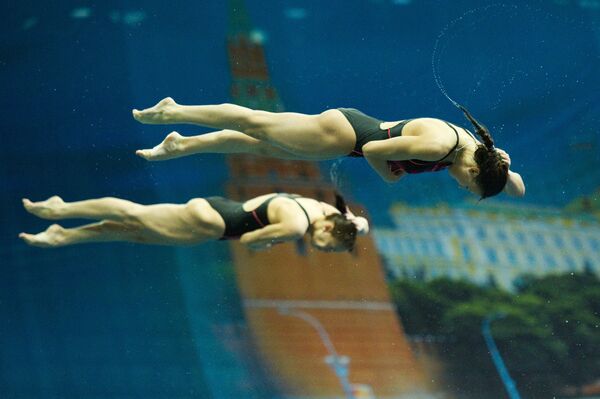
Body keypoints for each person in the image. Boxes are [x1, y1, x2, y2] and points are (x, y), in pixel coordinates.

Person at [132, 98, 525, 199]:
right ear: (474, 172)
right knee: (255, 123)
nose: (458, 185)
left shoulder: (480, 155)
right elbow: (373, 149)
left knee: (259, 144)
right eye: (465, 186)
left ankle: (182, 144)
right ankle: (175, 111)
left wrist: (507, 173)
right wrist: (391, 176)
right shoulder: (440, 145)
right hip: (346, 135)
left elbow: (517, 186)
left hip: (342, 139)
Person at [19, 192, 368, 252]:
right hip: (210, 221)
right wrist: (266, 243)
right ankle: (60, 209)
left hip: (213, 223)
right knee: (133, 215)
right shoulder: (295, 227)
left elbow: (359, 225)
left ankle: (61, 235)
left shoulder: (328, 211)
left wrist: (360, 228)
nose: (325, 251)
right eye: (329, 246)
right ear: (325, 229)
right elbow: (248, 242)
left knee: (133, 234)